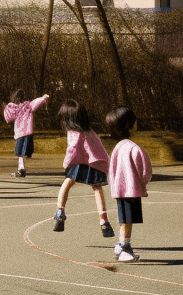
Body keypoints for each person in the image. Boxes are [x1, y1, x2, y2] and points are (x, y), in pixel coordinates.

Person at [53, 99, 114, 238]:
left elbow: (72, 149)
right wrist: (105, 162)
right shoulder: (89, 131)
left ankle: (60, 211)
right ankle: (104, 221)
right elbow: (99, 147)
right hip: (92, 163)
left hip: (80, 162)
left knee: (68, 182)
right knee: (97, 188)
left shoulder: (74, 132)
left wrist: (66, 164)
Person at [106, 106, 151, 263]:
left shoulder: (118, 147)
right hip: (132, 190)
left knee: (124, 219)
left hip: (120, 190)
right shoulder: (134, 148)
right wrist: (143, 183)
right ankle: (124, 246)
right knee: (128, 221)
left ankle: (122, 245)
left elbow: (110, 170)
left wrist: (114, 186)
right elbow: (145, 170)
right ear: (129, 125)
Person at [3, 89, 50, 178]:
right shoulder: (28, 106)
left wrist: (7, 107)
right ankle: (22, 169)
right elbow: (36, 102)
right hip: (28, 132)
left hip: (20, 133)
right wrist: (43, 98)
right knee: (23, 153)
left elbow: (8, 118)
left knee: (19, 153)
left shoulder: (14, 108)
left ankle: (21, 170)